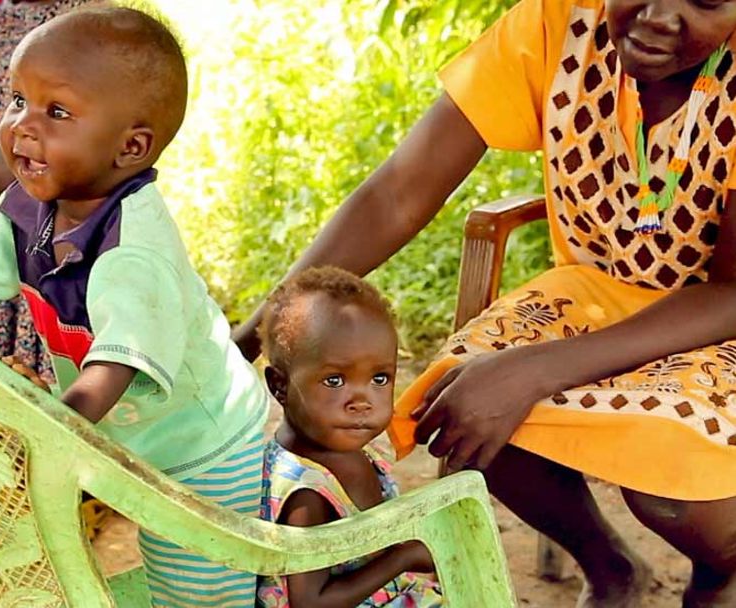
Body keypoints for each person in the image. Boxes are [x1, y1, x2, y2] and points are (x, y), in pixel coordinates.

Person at [235, 0, 736, 605]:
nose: (658, 15)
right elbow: (400, 189)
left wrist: (534, 368)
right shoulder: (557, 24)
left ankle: (717, 579)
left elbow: (730, 294)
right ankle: (611, 568)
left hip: (718, 319)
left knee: (678, 489)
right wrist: (262, 324)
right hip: (591, 297)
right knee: (464, 407)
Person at [0, 7, 270, 608]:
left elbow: (116, 365)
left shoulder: (132, 250)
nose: (22, 128)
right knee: (168, 578)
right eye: (17, 101)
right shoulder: (34, 202)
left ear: (131, 146)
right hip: (146, 439)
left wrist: (52, 428)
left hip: (206, 451)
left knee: (201, 589)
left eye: (56, 112)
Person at [255, 266, 442, 608]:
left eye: (380, 379)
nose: (362, 401)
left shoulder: (350, 452)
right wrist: (402, 559)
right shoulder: (306, 490)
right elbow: (309, 603)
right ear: (280, 385)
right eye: (335, 381)